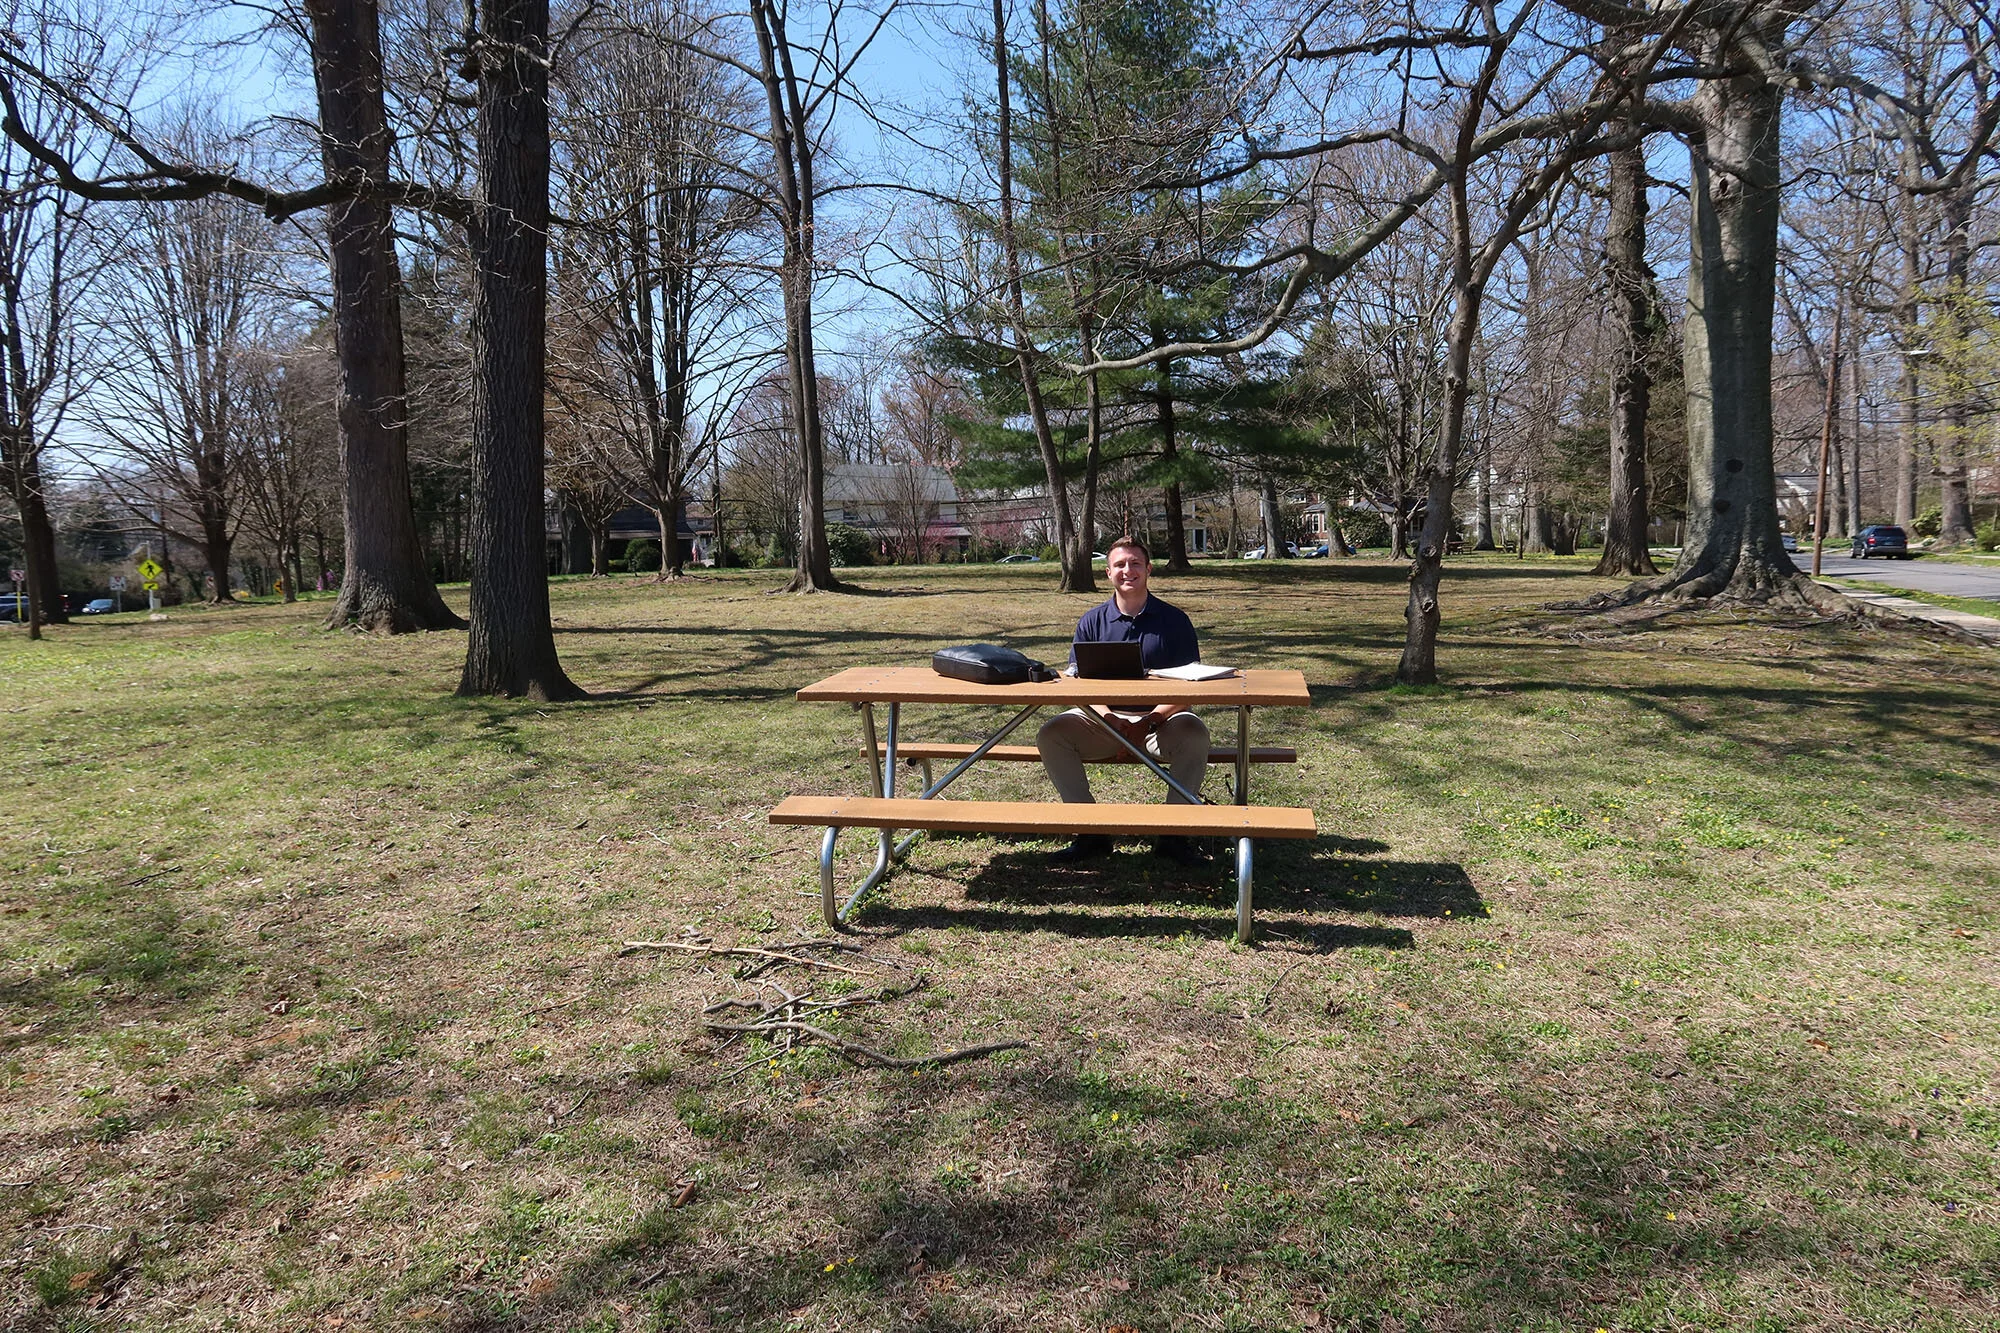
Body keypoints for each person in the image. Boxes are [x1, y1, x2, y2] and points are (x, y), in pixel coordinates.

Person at [1037, 536, 1211, 866]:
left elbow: (1191, 686)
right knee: (1052, 733)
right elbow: (1078, 684)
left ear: (1148, 569)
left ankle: (1174, 835)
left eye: (1134, 563)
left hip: (1160, 724)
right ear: (1108, 573)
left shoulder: (1175, 621)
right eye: (1119, 565)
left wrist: (1152, 720)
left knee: (1195, 734)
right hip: (1103, 721)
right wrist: (1110, 720)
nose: (1127, 570)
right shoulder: (1091, 621)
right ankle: (1091, 833)